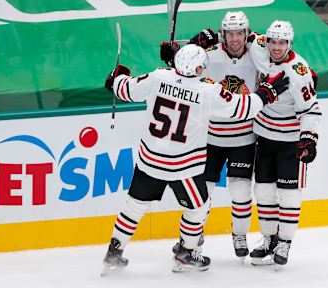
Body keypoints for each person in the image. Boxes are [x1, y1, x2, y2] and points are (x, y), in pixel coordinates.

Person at [102, 44, 289, 273]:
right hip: (183, 167)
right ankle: (187, 252)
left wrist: (117, 76)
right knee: (199, 207)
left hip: (149, 161)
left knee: (134, 207)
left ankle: (114, 250)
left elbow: (124, 89)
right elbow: (243, 108)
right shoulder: (207, 92)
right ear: (199, 68)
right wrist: (268, 91)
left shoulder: (158, 77)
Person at [162, 11, 259, 262]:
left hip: (243, 138)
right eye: (230, 33)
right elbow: (183, 70)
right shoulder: (209, 55)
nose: (235, 39)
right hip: (210, 138)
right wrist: (172, 57)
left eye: (239, 33)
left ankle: (239, 235)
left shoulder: (259, 54)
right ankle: (192, 239)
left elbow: (283, 56)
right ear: (222, 34)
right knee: (201, 193)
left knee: (240, 192)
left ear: (246, 33)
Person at [247, 20, 322, 267]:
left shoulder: (298, 72)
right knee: (263, 192)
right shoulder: (260, 46)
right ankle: (269, 239)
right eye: (273, 41)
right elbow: (244, 37)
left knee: (289, 196)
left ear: (289, 43)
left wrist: (308, 139)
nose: (276, 47)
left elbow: (311, 109)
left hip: (289, 142)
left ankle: (285, 243)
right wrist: (211, 37)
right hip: (264, 137)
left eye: (282, 42)